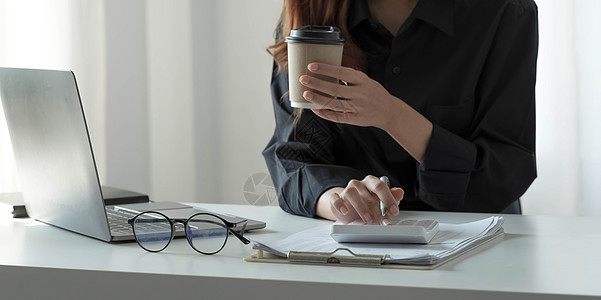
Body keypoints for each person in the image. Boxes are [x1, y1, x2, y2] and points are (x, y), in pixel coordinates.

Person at [263, 0, 538, 225]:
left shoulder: (504, 12)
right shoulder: (312, 13)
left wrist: (393, 115)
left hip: (479, 246)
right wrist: (339, 200)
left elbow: (505, 172)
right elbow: (294, 159)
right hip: (353, 247)